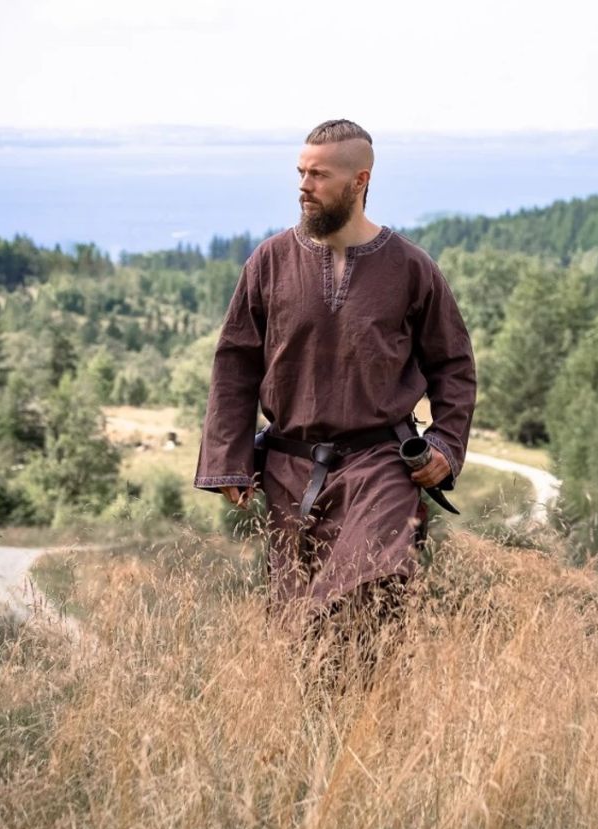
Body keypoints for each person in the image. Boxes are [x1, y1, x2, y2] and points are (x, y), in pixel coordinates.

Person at [193, 119, 476, 636]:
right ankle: (349, 715)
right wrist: (230, 460)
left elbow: (454, 367)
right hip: (288, 468)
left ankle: (369, 698)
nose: (303, 186)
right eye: (300, 173)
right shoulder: (269, 263)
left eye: (318, 175)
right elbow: (235, 363)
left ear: (359, 181)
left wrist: (444, 444)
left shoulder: (412, 268)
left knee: (372, 580)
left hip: (382, 465)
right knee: (300, 625)